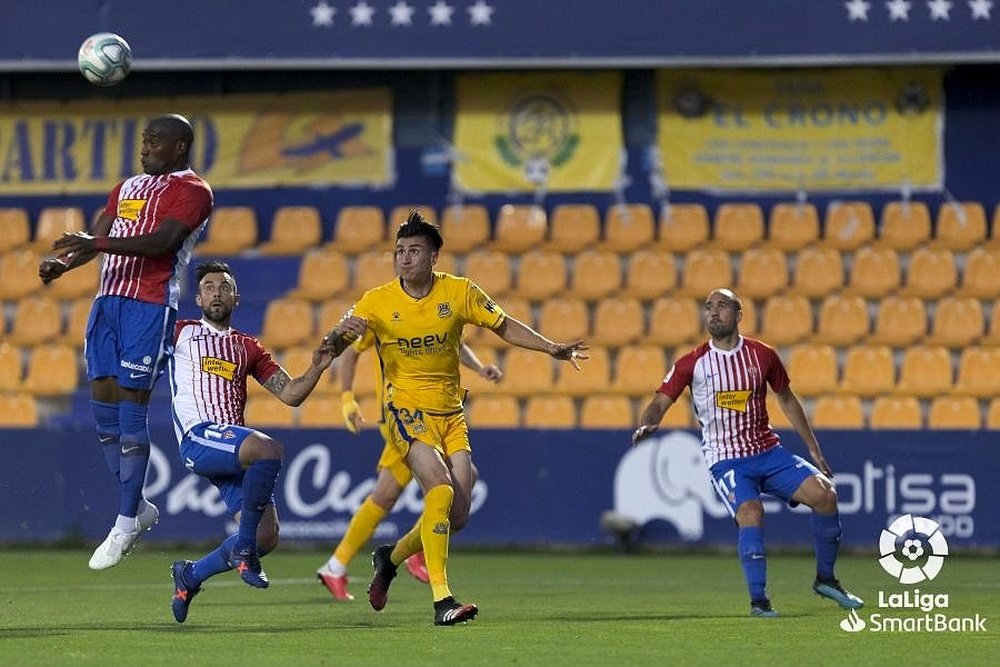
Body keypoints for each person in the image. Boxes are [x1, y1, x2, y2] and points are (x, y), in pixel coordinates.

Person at [332, 210, 587, 626]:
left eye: (415, 250)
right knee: (440, 488)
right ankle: (442, 600)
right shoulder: (377, 301)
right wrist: (337, 338)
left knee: (458, 515)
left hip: (451, 412)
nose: (405, 258)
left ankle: (390, 558)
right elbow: (342, 337)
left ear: (434, 257)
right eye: (399, 251)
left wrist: (551, 348)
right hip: (404, 411)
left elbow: (504, 326)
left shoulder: (460, 292)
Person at [37, 114, 213, 570]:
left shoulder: (194, 191)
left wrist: (96, 240)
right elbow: (97, 239)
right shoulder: (127, 188)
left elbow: (160, 243)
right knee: (104, 412)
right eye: (144, 139)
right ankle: (137, 508)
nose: (146, 146)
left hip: (149, 306)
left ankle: (122, 522)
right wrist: (64, 264)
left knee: (133, 407)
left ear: (180, 147)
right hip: (107, 304)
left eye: (156, 140)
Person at [632, 288, 864, 618]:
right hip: (726, 459)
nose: (713, 312)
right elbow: (659, 402)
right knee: (751, 512)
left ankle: (826, 580)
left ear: (739, 314)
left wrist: (813, 447)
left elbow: (786, 397)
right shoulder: (692, 363)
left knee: (825, 495)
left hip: (768, 451)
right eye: (709, 307)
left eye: (722, 306)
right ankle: (759, 601)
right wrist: (649, 423)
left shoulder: (762, 355)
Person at [168, 261, 364, 623]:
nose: (216, 292)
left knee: (267, 536)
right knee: (269, 450)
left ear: (236, 297)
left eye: (224, 287)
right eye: (209, 287)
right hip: (199, 436)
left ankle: (190, 576)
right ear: (197, 297)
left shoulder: (248, 347)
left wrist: (320, 365)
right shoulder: (179, 333)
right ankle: (243, 552)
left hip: (231, 448)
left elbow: (291, 394)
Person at [316, 336, 503, 601]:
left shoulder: (432, 309)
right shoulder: (383, 310)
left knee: (385, 495)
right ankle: (415, 552)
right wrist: (347, 399)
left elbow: (452, 344)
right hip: (403, 416)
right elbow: (350, 352)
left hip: (426, 413)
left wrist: (479, 366)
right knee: (457, 481)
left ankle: (336, 565)